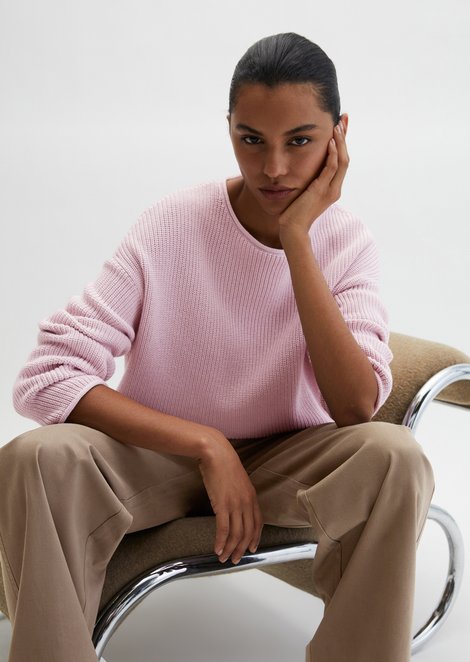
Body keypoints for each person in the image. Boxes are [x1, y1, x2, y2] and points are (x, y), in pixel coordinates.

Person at [0, 32, 434, 662]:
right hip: (158, 456)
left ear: (339, 135)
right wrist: (205, 445)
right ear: (228, 128)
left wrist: (297, 238)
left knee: (398, 458)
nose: (274, 168)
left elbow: (354, 408)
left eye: (300, 141)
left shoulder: (348, 243)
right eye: (251, 139)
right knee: (35, 457)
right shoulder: (172, 223)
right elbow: (46, 377)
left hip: (287, 461)